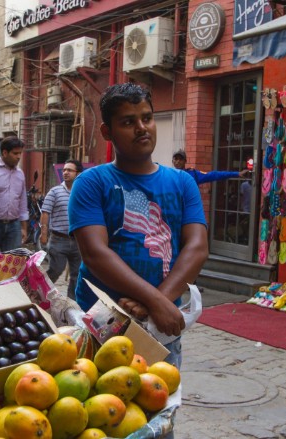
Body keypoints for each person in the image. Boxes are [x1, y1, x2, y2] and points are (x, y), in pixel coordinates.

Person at [69, 83, 208, 369]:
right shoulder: (91, 182)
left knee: (157, 407)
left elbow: (197, 247)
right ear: (108, 133)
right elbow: (95, 253)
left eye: (147, 118)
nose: (142, 128)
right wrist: (155, 302)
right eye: (128, 122)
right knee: (99, 409)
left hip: (160, 327)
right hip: (101, 326)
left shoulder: (183, 182)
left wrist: (156, 304)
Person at [40, 159, 84, 299]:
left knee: (77, 274)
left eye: (69, 170)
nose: (65, 172)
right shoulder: (55, 191)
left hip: (79, 241)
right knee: (56, 269)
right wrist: (44, 233)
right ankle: (39, 293)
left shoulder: (83, 192)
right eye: (64, 170)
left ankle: (71, 303)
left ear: (78, 173)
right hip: (59, 239)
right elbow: (45, 212)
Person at [171, 149, 251, 185]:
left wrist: (237, 173)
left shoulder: (193, 174)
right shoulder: (167, 175)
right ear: (172, 161)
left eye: (181, 159)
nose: (178, 161)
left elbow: (214, 175)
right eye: (176, 159)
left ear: (185, 161)